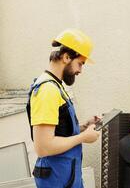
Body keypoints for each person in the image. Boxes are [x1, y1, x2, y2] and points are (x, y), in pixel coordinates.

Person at [26, 29, 101, 188]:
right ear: (66, 57)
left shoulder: (55, 86)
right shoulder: (48, 90)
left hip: (64, 175)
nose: (80, 70)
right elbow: (43, 147)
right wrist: (83, 137)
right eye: (80, 63)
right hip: (57, 178)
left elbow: (57, 131)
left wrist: (82, 128)